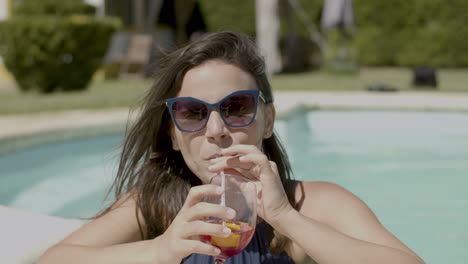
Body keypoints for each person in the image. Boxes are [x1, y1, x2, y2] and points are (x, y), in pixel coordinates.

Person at [38, 31, 425, 264]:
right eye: (192, 113)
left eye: (236, 107)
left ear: (268, 120)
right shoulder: (154, 204)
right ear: (172, 133)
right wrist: (159, 251)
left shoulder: (311, 204)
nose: (216, 130)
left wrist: (285, 217)